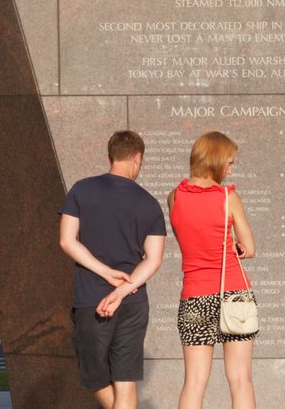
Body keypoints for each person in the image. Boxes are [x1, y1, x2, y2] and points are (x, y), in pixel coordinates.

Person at [59, 130, 167, 409]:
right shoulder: (149, 203)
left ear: (110, 157)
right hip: (133, 300)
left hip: (91, 299)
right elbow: (153, 260)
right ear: (137, 158)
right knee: (125, 379)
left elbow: (67, 241)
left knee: (95, 379)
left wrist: (105, 273)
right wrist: (122, 290)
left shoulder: (81, 189)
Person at [169, 131, 257, 409]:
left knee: (194, 382)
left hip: (194, 296)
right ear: (216, 161)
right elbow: (249, 248)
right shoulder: (228, 197)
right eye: (230, 163)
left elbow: (187, 237)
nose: (231, 170)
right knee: (240, 379)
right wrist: (237, 248)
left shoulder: (174, 197)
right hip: (234, 294)